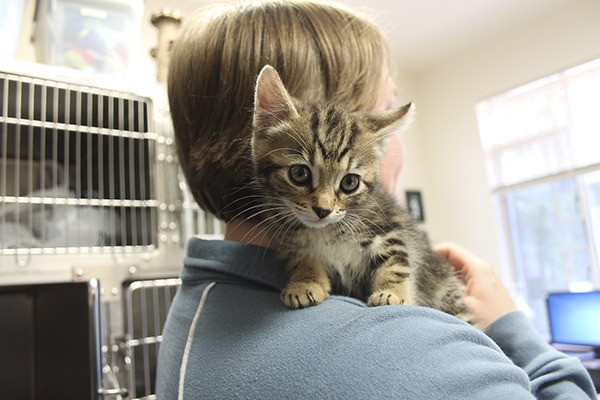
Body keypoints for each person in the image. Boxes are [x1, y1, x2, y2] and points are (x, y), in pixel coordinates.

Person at [157, 1, 596, 398]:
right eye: (382, 106)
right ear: (271, 123)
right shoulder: (416, 353)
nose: (395, 148)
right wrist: (513, 328)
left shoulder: (193, 316)